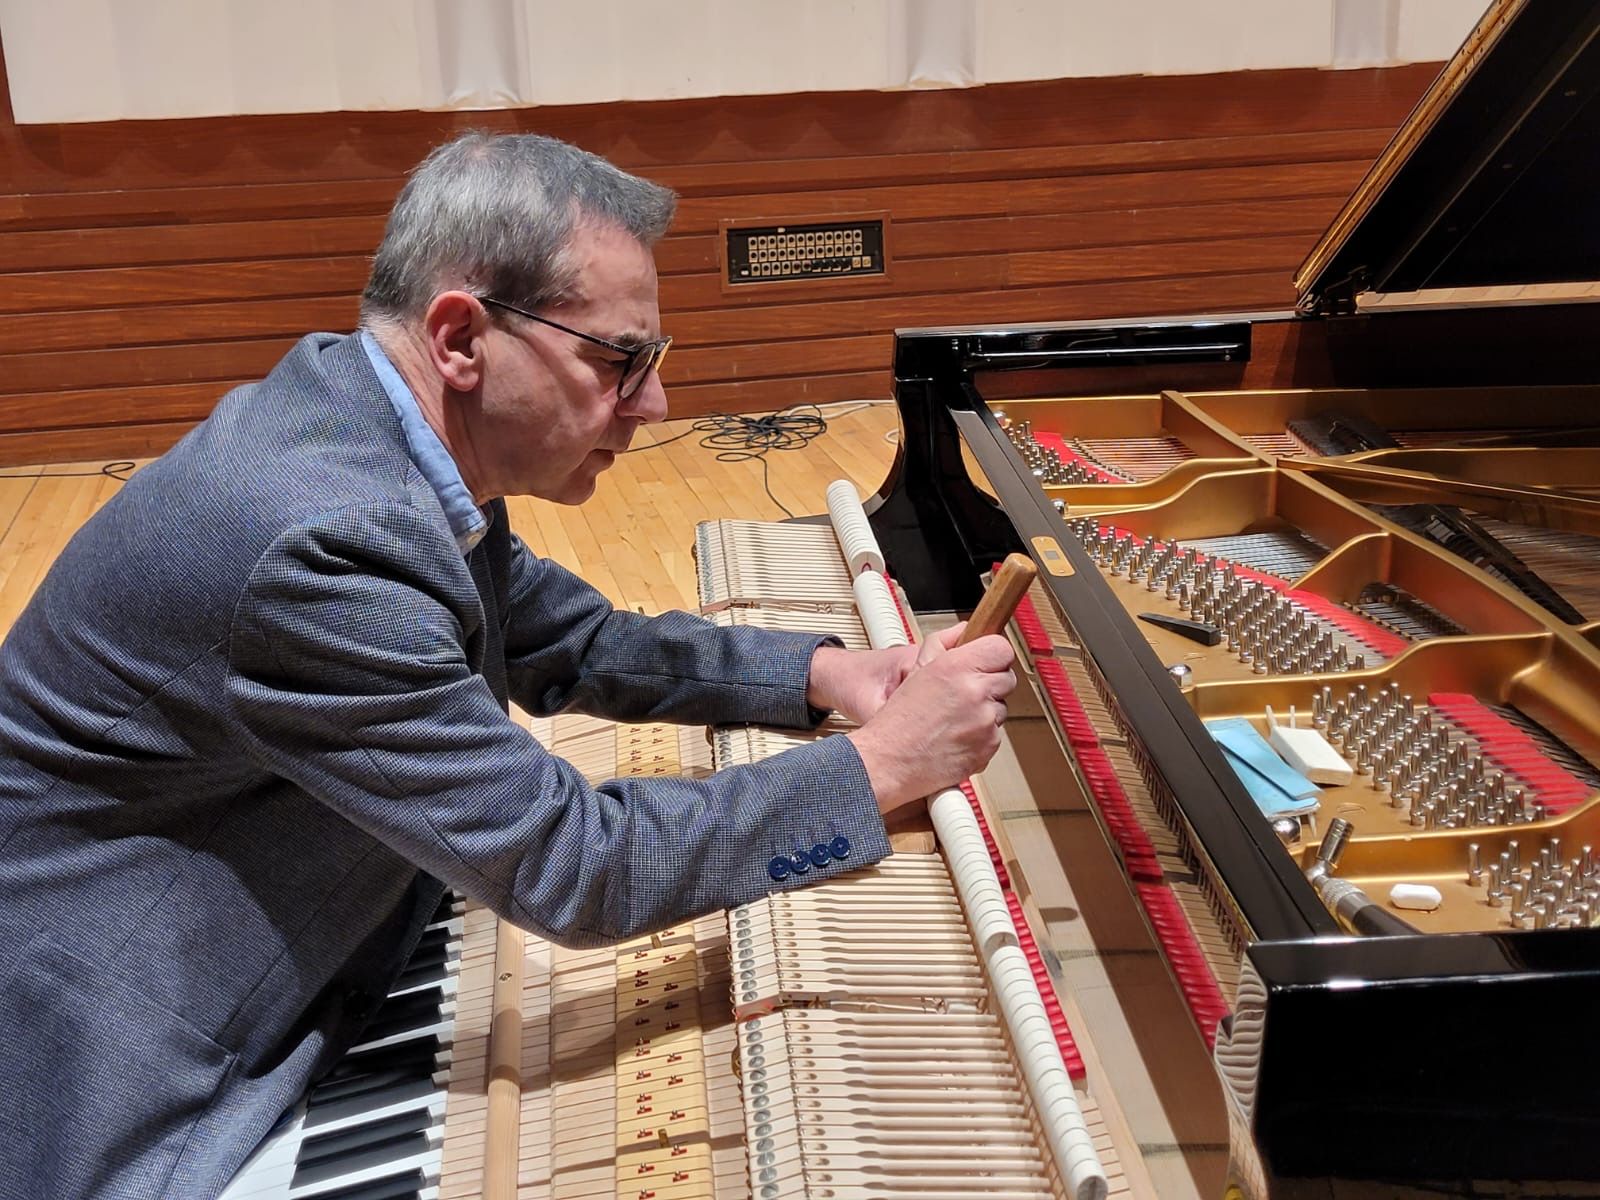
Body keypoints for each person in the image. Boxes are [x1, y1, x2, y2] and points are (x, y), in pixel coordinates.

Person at [0, 131, 1016, 1198]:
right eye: (619, 361)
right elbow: (574, 867)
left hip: (292, 924)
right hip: (130, 1049)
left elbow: (565, 636)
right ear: (460, 338)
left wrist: (825, 676)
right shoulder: (323, 538)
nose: (654, 405)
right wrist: (881, 767)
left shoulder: (372, 428)